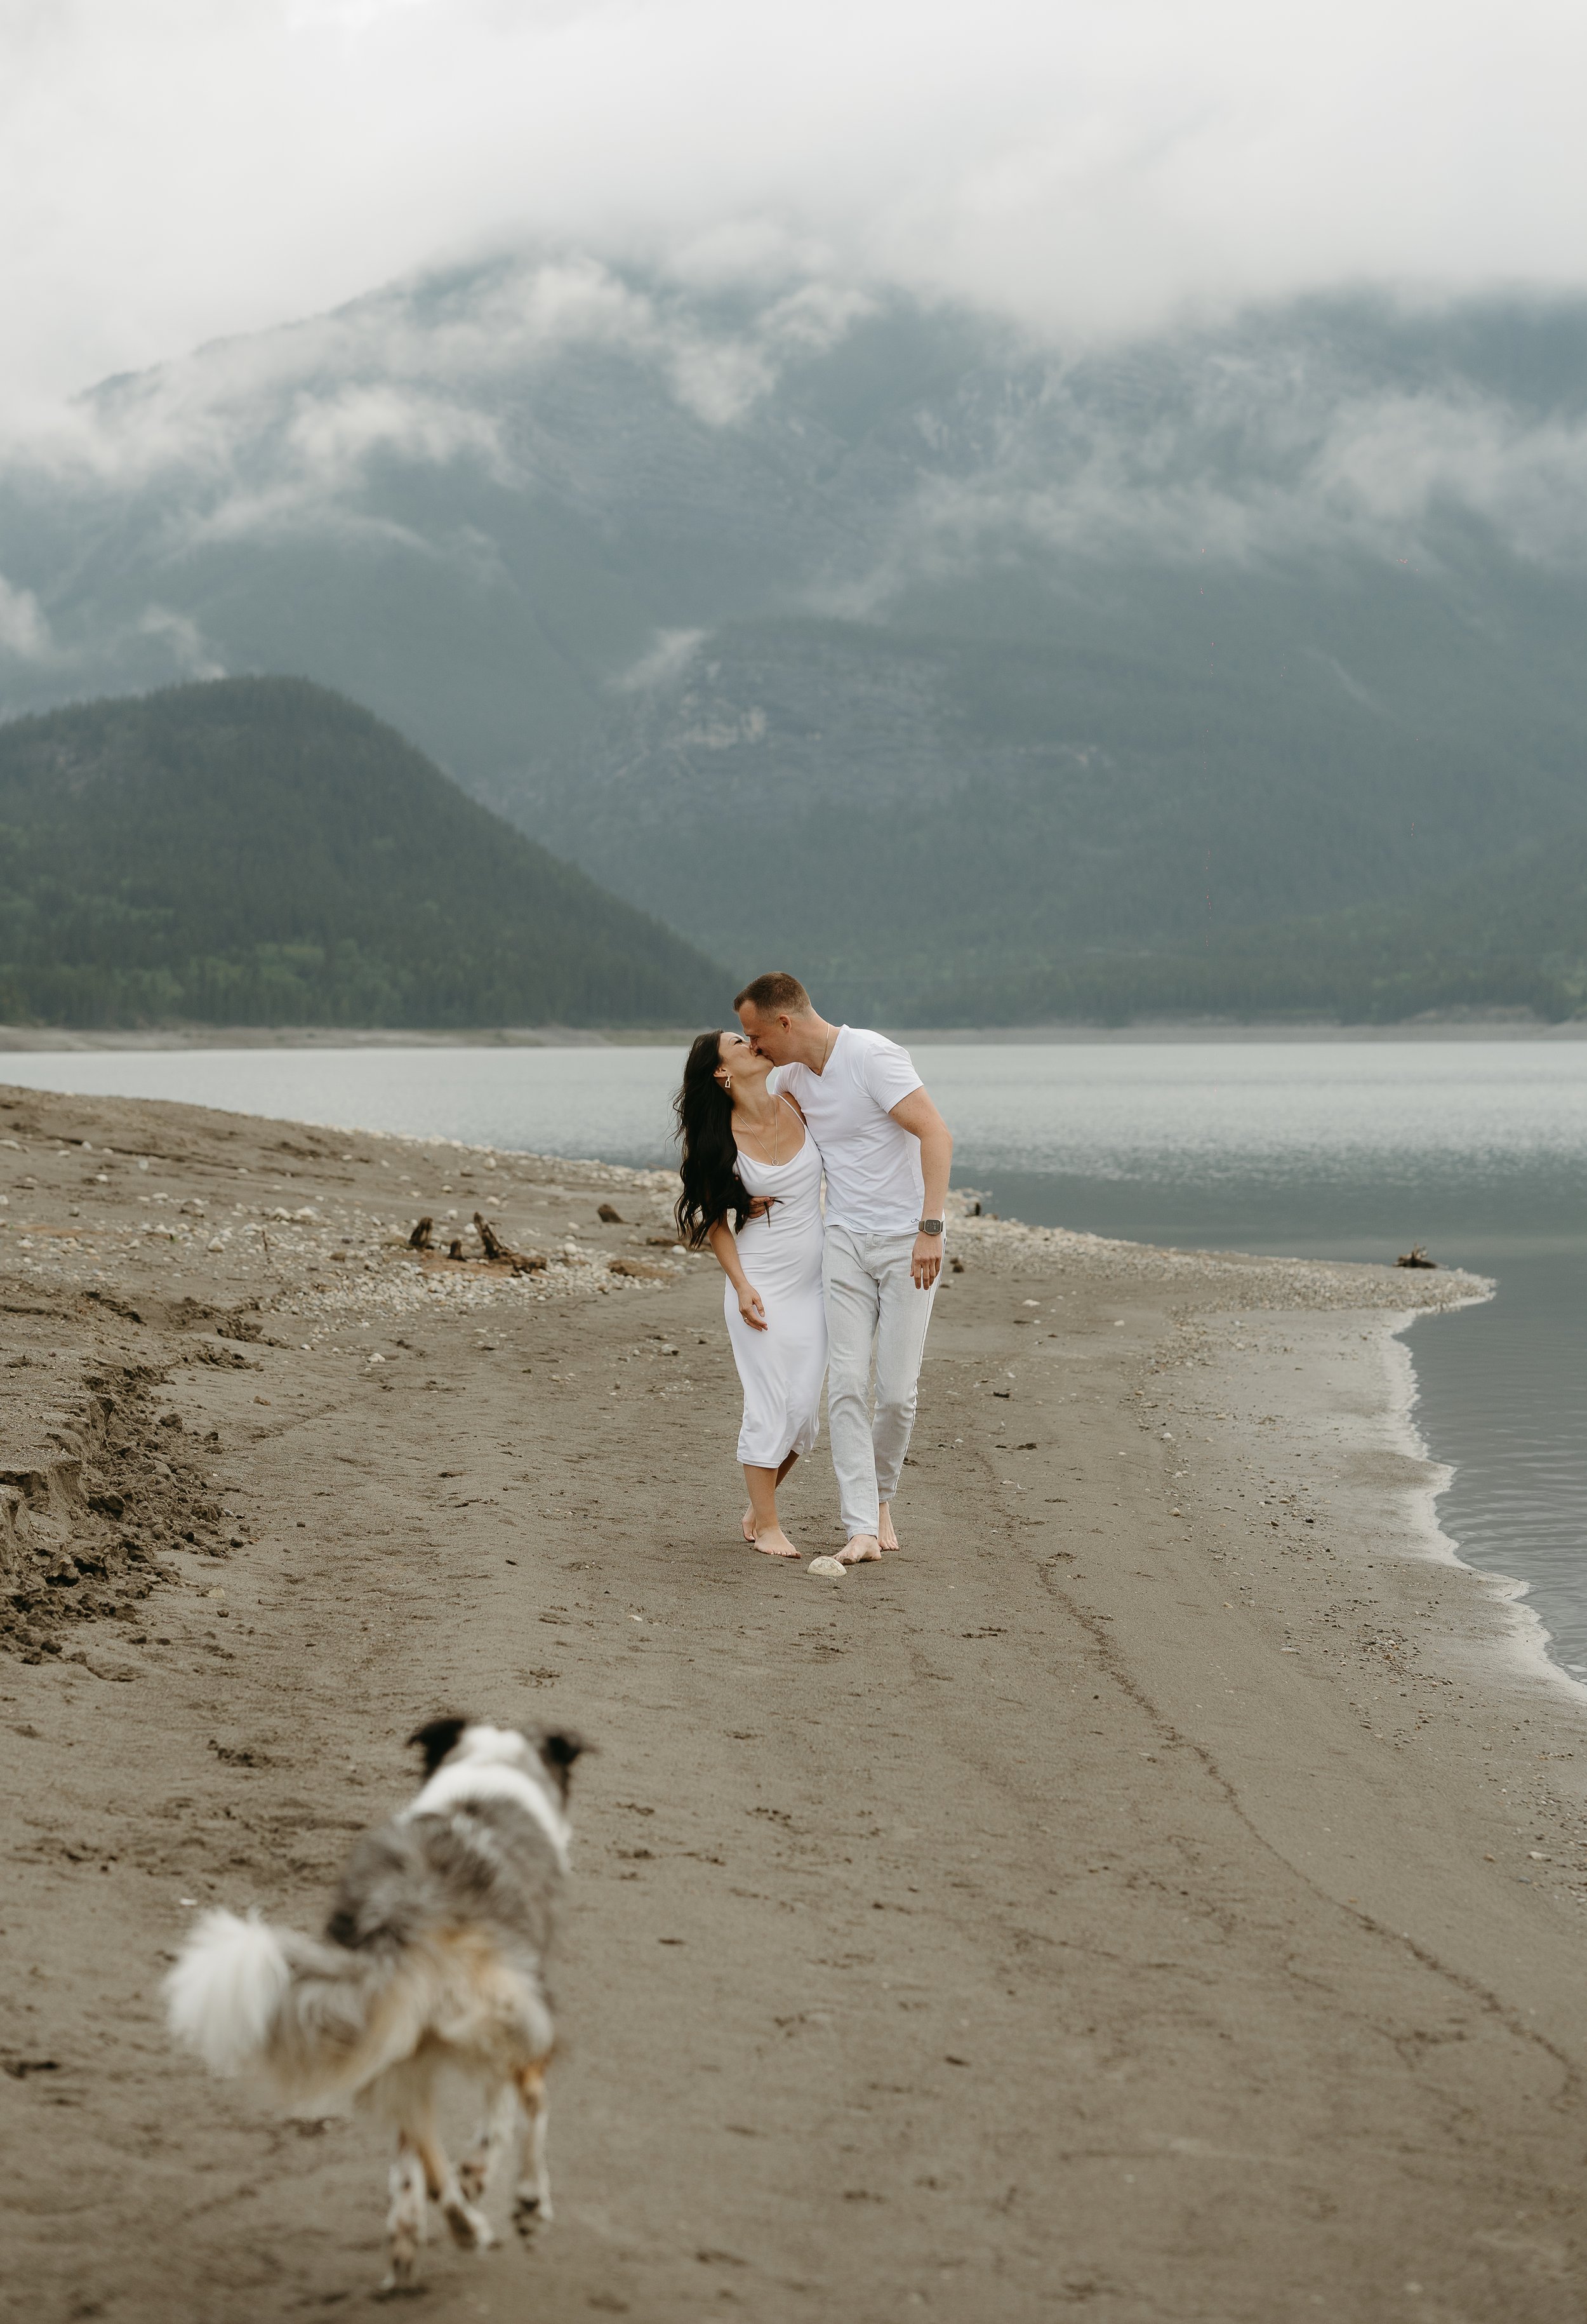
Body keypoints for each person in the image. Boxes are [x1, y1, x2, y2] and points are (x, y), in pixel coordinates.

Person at [734, 973, 952, 1566]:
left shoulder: (871, 1056)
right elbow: (762, 1135)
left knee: (897, 1395)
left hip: (908, 1241)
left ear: (784, 1022)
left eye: (756, 1035)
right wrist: (741, 1196)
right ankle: (861, 1525)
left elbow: (936, 1133)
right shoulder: (791, 1078)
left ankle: (881, 1498)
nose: (753, 1047)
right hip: (844, 1242)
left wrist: (930, 1229)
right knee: (848, 1385)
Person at [674, 1028, 828, 1560]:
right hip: (759, 1283)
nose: (752, 1043)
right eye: (738, 1043)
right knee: (770, 1403)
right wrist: (741, 1286)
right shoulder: (719, 1138)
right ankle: (767, 1527)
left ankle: (755, 1509)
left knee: (804, 1413)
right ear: (722, 1072)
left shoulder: (797, 1105)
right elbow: (715, 1223)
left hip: (815, 1286)